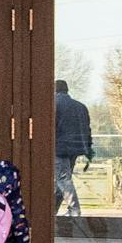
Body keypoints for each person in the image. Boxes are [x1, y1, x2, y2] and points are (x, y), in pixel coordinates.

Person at [50, 78, 94, 221]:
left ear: (54, 90)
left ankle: (74, 210)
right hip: (76, 148)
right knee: (61, 180)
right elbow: (87, 129)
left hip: (59, 148)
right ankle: (52, 212)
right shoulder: (80, 106)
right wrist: (88, 148)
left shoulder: (53, 105)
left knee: (62, 179)